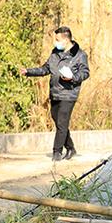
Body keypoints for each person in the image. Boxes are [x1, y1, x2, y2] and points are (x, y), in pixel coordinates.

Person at [21, 26, 90, 161]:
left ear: (66, 39)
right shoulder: (55, 53)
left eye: (58, 39)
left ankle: (56, 152)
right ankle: (71, 148)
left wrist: (73, 78)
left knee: (62, 122)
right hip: (55, 93)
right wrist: (28, 72)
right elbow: (45, 69)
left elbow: (85, 73)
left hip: (69, 94)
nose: (55, 42)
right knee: (59, 122)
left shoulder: (80, 55)